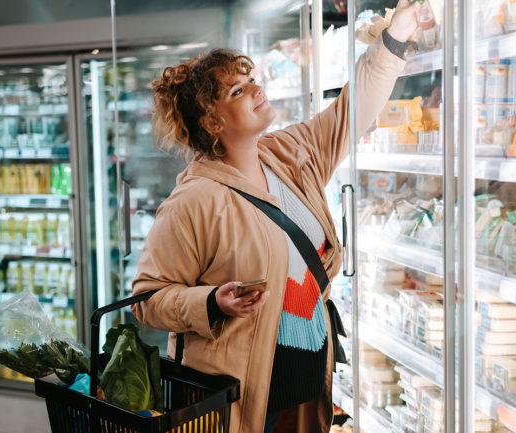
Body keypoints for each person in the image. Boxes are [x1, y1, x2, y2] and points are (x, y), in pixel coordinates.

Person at [131, 1, 420, 432]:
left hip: (305, 392)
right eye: (237, 91)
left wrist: (396, 37)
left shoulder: (288, 155)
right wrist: (212, 301)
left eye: (250, 80)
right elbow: (147, 299)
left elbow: (351, 110)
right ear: (212, 121)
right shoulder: (194, 201)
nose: (255, 89)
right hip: (242, 402)